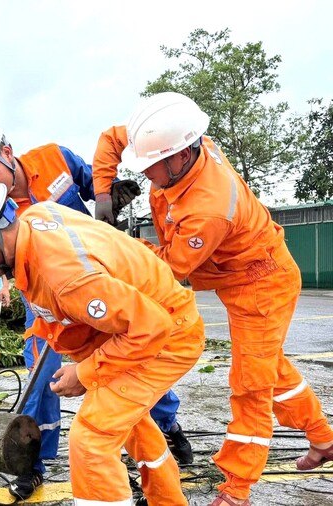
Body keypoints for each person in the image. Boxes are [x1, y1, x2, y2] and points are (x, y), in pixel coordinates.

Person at [93, 91, 333, 506]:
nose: (147, 175)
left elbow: (171, 270)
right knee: (271, 367)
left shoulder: (210, 208)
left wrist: (122, 249)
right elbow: (112, 139)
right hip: (237, 278)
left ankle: (237, 488)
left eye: (153, 168)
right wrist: (101, 194)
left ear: (182, 156)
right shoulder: (169, 136)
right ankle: (325, 439)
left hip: (261, 284)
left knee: (251, 384)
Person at [0, 118, 192, 500]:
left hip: (123, 310)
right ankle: (36, 465)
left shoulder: (53, 165)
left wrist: (106, 195)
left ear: (6, 153)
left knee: (94, 434)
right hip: (69, 298)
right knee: (54, 380)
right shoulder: (24, 217)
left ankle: (169, 428)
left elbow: (148, 327)